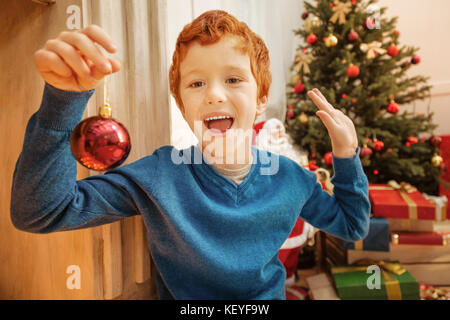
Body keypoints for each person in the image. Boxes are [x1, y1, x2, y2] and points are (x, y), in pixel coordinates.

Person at [10, 10, 370, 300]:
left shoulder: (293, 179)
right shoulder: (159, 176)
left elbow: (352, 225)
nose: (214, 94)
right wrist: (62, 101)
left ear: (261, 98)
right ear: (183, 106)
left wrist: (346, 154)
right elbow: (41, 213)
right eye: (197, 83)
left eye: (233, 80)